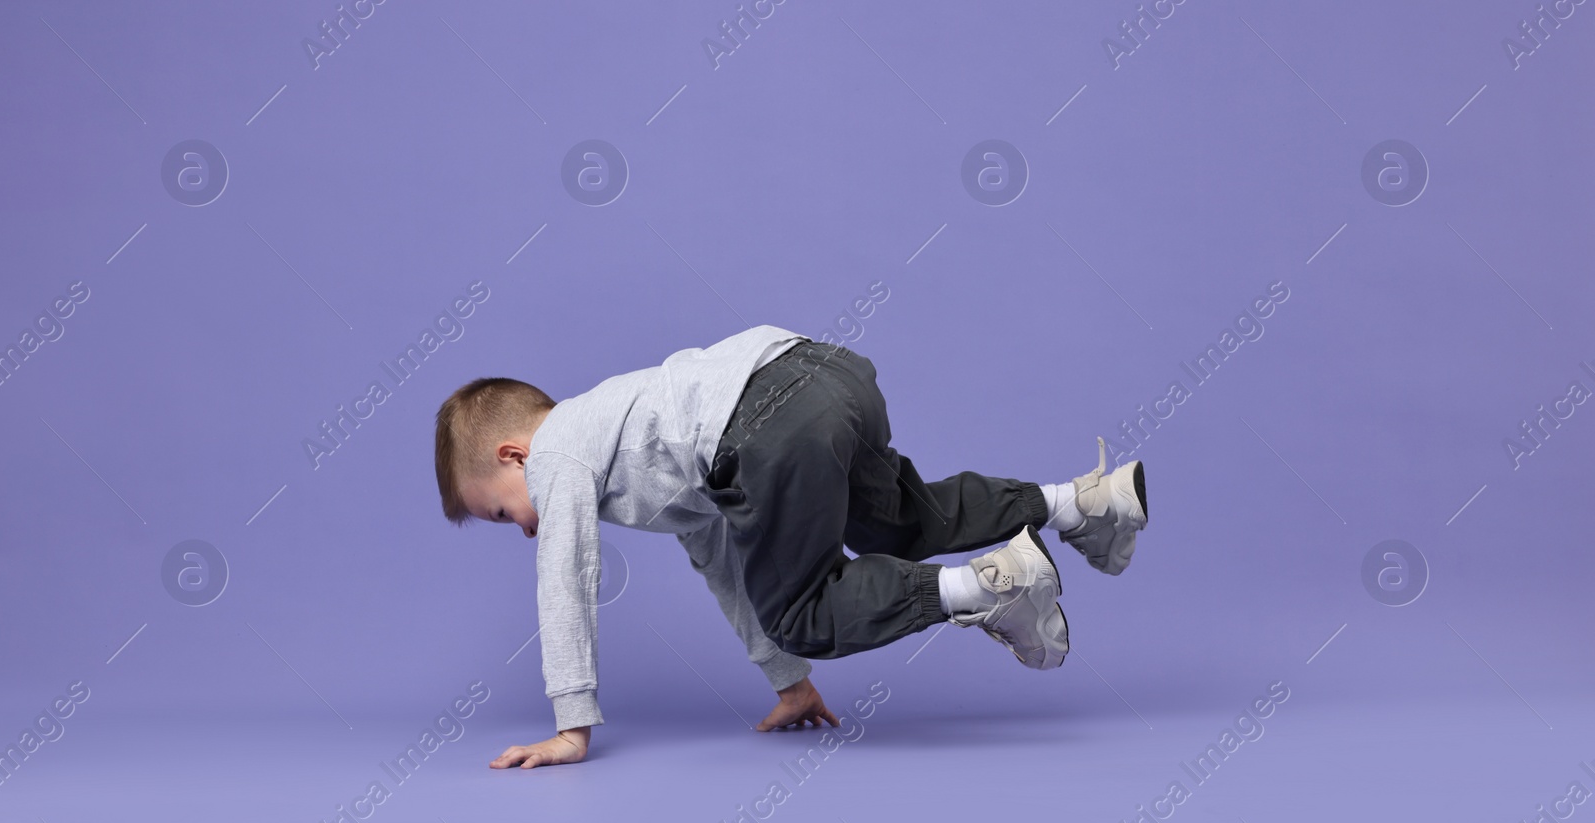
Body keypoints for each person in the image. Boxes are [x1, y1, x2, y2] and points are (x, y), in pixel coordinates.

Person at [433, 325, 1148, 770]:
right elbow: (722, 555)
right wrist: (789, 681)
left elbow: (565, 578)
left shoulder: (557, 452)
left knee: (804, 609)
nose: (526, 527)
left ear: (515, 454)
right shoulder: (631, 440)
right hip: (823, 371)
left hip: (759, 426)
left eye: (503, 512)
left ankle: (992, 587)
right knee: (897, 519)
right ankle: (1082, 502)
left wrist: (570, 724)